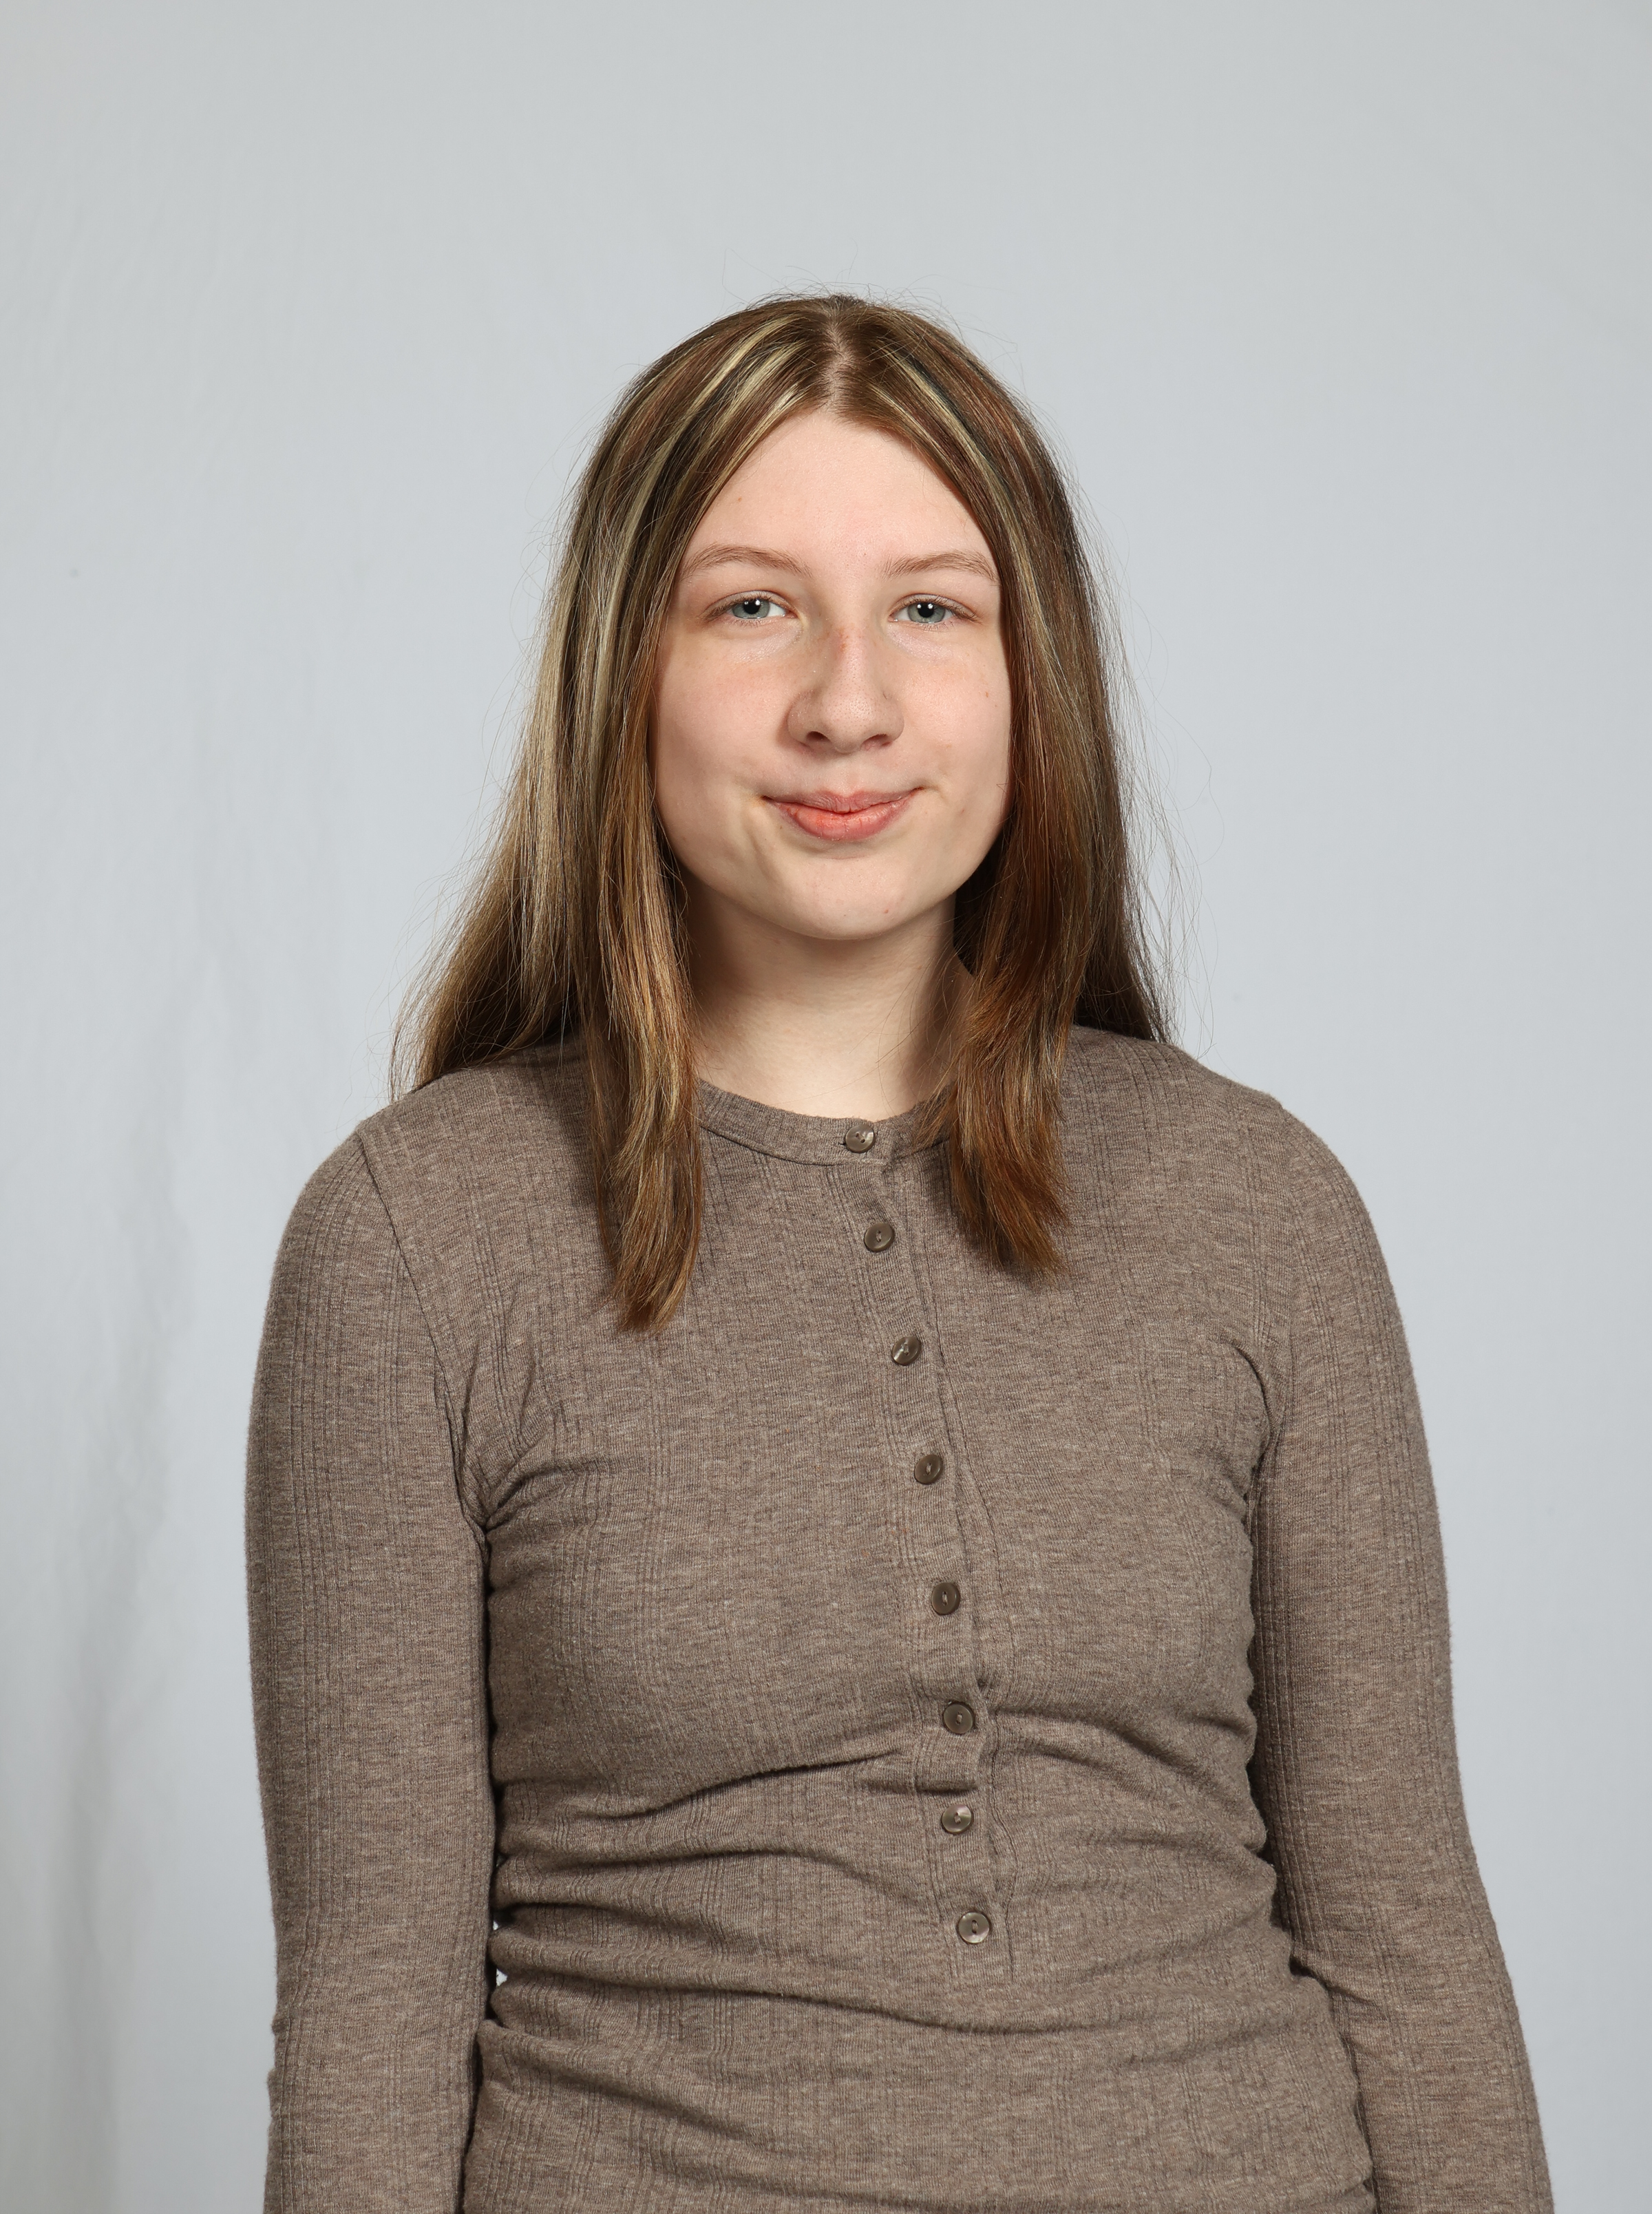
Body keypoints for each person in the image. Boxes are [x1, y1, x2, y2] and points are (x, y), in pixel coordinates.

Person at [246, 294, 1552, 2214]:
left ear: (1034, 679)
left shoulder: (1260, 1208)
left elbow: (1404, 1929)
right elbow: (373, 2006)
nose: (845, 703)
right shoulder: (417, 1244)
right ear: (624, 674)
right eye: (751, 607)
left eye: (933, 608)